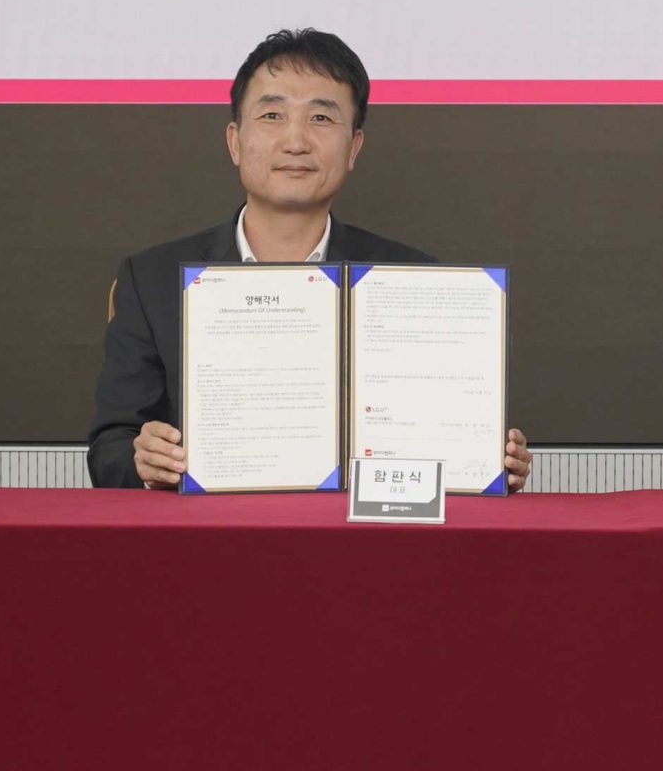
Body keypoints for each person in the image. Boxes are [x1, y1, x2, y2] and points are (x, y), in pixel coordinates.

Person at [89, 27, 532, 492]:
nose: (295, 141)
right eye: (272, 115)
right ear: (235, 141)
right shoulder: (153, 280)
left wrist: (487, 461)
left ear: (353, 147)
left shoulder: (414, 280)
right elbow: (109, 450)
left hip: (358, 532)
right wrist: (144, 460)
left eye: (321, 117)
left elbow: (440, 434)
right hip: (212, 530)